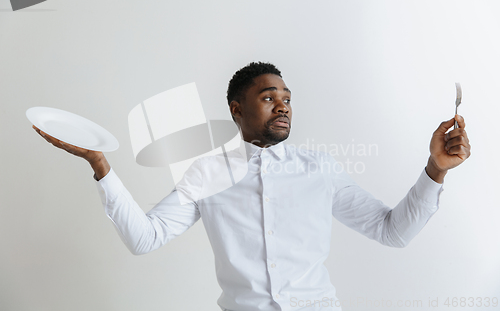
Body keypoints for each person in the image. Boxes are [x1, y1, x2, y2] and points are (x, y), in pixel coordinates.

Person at [33, 62, 471, 311]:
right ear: (236, 108)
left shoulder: (320, 168)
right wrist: (100, 164)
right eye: (268, 97)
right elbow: (144, 238)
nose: (282, 105)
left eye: (287, 97)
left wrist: (436, 169)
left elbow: (392, 232)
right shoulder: (207, 174)